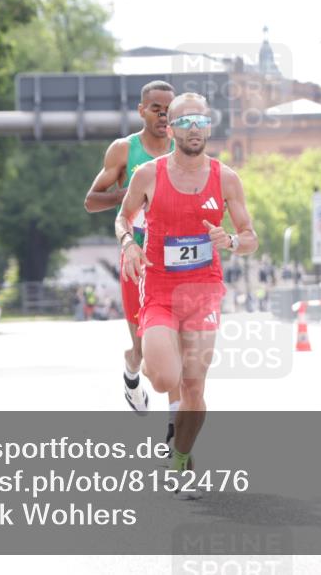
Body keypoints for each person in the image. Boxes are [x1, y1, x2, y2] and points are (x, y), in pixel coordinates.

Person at [117, 92, 258, 496]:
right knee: (165, 379)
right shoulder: (148, 174)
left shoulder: (226, 178)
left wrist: (229, 239)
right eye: (185, 121)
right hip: (160, 289)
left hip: (204, 293)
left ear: (209, 127)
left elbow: (251, 238)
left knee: (195, 389)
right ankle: (152, 374)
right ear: (171, 128)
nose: (194, 129)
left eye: (201, 121)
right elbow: (123, 217)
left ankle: (179, 461)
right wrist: (129, 244)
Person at [85, 80, 182, 443]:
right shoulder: (124, 150)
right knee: (143, 349)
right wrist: (130, 193)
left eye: (169, 109)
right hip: (137, 262)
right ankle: (131, 369)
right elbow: (91, 201)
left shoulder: (182, 149)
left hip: (173, 261)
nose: (163, 115)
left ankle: (175, 434)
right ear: (141, 110)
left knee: (175, 349)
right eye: (156, 108)